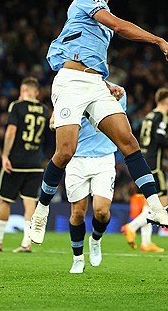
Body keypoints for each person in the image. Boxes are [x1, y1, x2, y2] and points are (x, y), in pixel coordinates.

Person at [29, 0, 168, 246]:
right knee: (65, 151)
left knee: (129, 143)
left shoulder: (101, 13)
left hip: (95, 84)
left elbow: (86, 53)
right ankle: (41, 210)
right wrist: (158, 40)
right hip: (71, 83)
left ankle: (156, 207)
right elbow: (121, 27)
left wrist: (106, 83)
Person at [61, 84, 127, 273]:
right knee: (78, 213)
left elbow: (119, 122)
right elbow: (56, 119)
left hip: (104, 158)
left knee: (101, 211)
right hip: (77, 159)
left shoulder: (117, 92)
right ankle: (78, 258)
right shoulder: (72, 89)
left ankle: (96, 239)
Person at [0, 77, 51, 253]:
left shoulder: (17, 106)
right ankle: (26, 243)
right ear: (36, 92)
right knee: (30, 204)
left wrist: (5, 155)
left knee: (5, 201)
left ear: (23, 91)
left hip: (16, 163)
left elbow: (11, 132)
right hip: (35, 163)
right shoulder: (45, 110)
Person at [121, 88, 168, 252]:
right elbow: (159, 137)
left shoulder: (148, 116)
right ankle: (132, 227)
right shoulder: (162, 116)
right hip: (154, 166)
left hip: (143, 161)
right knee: (160, 206)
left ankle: (146, 243)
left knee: (149, 205)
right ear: (167, 101)